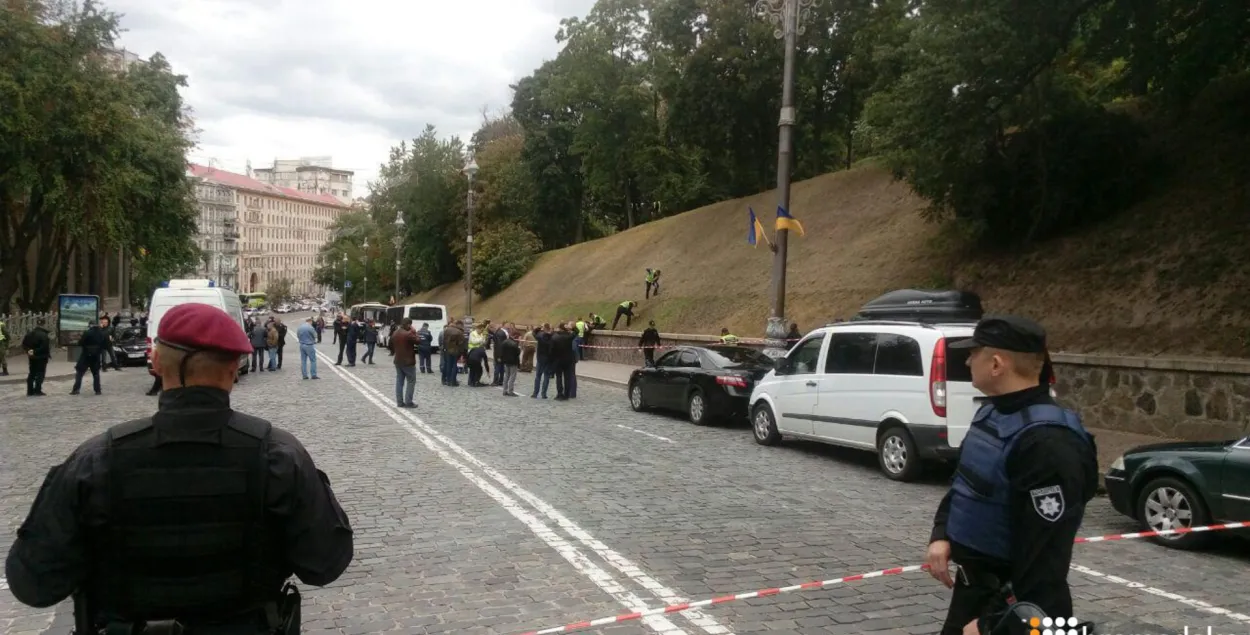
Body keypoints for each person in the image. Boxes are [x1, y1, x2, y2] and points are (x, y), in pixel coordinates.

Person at [5, 303, 353, 634]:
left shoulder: (96, 460)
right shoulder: (279, 455)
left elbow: (33, 583)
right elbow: (325, 562)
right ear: (234, 369)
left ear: (155, 362)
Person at [925, 316, 1098, 635]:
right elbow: (966, 481)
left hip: (1012, 610)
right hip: (974, 594)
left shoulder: (1047, 443)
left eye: (973, 353)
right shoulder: (992, 412)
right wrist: (942, 533)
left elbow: (1046, 560)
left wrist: (994, 625)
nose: (966, 360)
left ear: (996, 364)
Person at [70, 320, 109, 395]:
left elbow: (80, 343)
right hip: (96, 356)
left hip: (86, 356)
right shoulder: (101, 333)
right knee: (96, 374)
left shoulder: (87, 332)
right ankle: (97, 390)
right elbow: (105, 345)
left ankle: (76, 389)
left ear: (90, 325)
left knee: (80, 373)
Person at [21, 317, 52, 396]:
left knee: (32, 373)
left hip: (32, 357)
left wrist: (29, 351)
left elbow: (24, 344)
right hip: (41, 357)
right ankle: (38, 390)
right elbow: (44, 347)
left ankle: (30, 391)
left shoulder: (29, 334)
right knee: (40, 374)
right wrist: (35, 351)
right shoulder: (44, 335)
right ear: (43, 324)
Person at [391, 318, 418, 408]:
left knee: (399, 381)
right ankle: (409, 401)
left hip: (398, 360)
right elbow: (418, 341)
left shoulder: (395, 333)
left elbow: (391, 345)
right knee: (411, 381)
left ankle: (399, 402)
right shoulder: (408, 334)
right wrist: (414, 332)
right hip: (408, 361)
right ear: (408, 325)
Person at [441, 318, 465, 386]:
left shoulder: (447, 330)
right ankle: (453, 381)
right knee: (455, 366)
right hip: (456, 351)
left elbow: (444, 341)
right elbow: (461, 343)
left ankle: (448, 380)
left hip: (448, 350)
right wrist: (461, 352)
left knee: (448, 365)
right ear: (458, 325)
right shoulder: (459, 332)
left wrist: (445, 349)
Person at [499, 331, 521, 397]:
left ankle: (504, 390)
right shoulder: (514, 344)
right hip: (513, 362)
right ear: (514, 336)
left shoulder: (504, 342)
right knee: (512, 376)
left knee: (506, 376)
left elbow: (501, 352)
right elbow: (517, 353)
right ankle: (510, 391)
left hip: (506, 361)